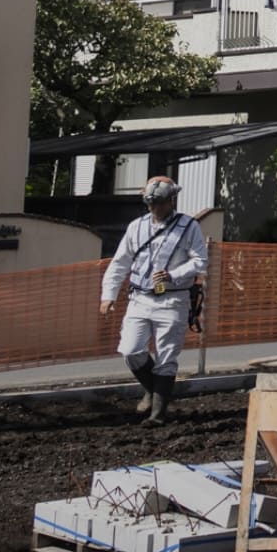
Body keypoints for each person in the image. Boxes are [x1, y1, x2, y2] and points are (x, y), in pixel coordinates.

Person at [99, 177, 206, 421]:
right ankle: (152, 390)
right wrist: (109, 295)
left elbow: (200, 261)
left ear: (171, 200)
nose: (154, 208)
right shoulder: (136, 227)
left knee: (166, 357)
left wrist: (173, 274)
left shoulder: (189, 227)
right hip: (140, 298)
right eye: (150, 203)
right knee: (130, 349)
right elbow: (120, 262)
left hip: (172, 300)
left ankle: (157, 415)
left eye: (159, 203)